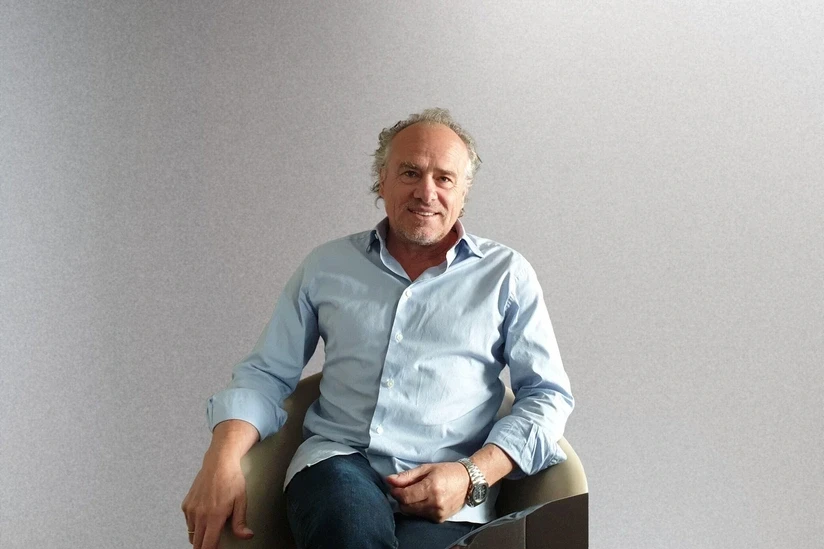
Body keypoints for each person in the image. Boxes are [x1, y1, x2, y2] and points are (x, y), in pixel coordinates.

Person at [181, 108, 574, 549]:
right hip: (338, 466)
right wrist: (220, 459)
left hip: (451, 487)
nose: (426, 192)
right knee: (349, 529)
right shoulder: (327, 266)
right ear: (381, 181)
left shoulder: (508, 275)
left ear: (464, 192)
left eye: (444, 178)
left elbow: (547, 396)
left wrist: (471, 475)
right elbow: (265, 373)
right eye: (410, 172)